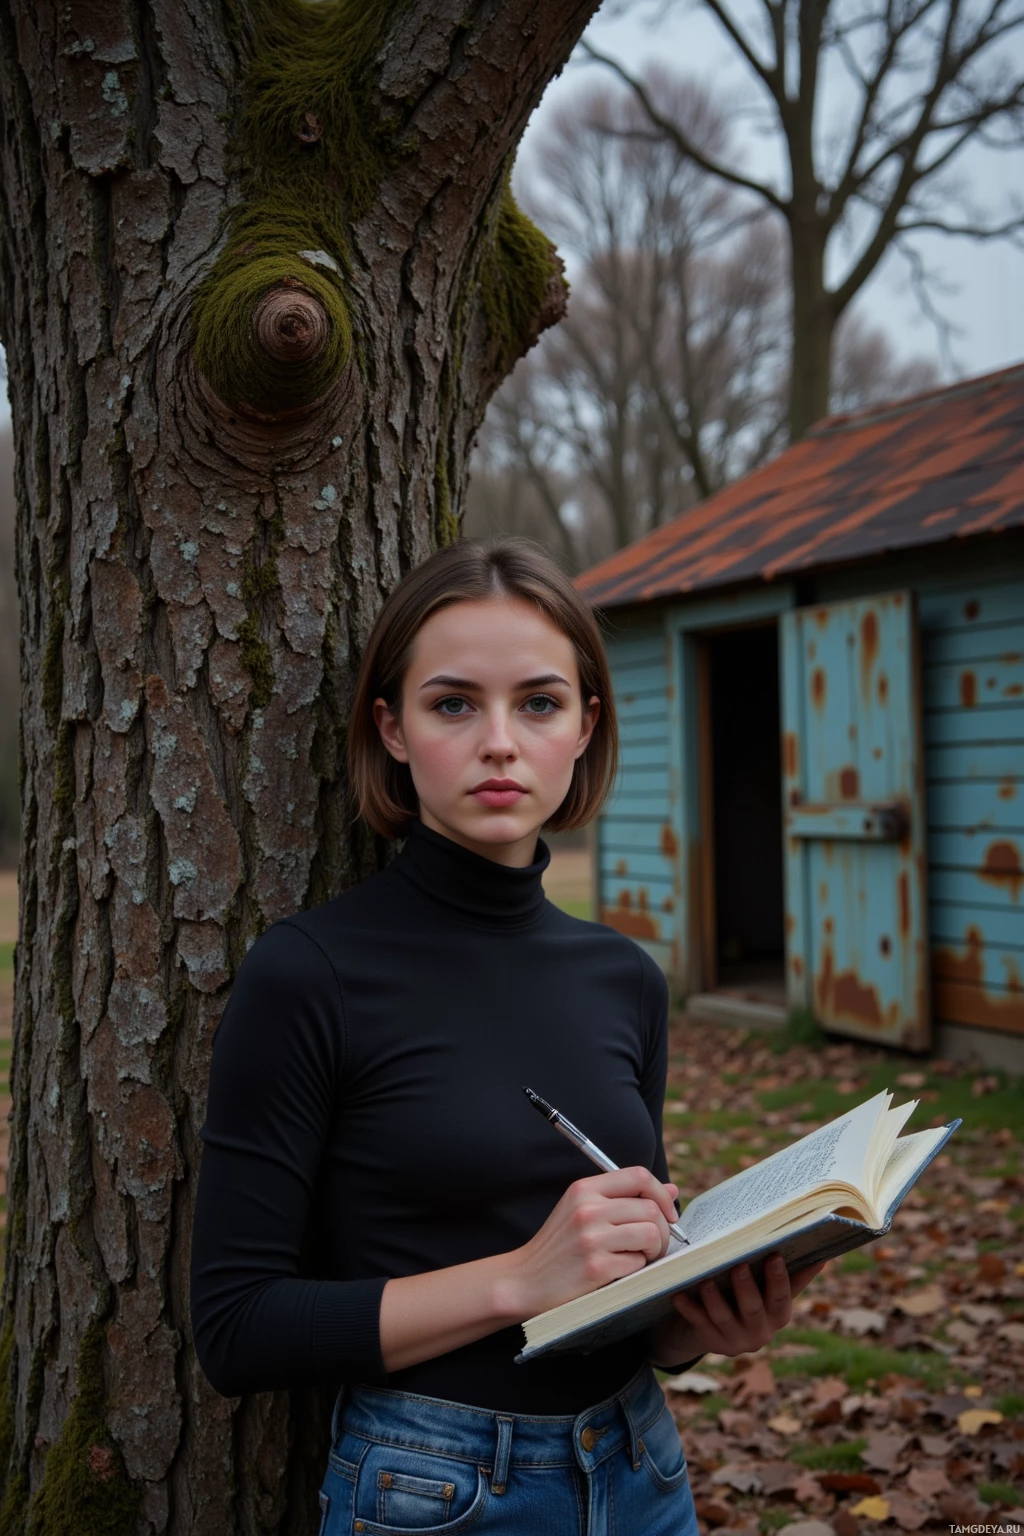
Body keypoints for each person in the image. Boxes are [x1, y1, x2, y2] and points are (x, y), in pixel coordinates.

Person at [190, 536, 828, 1535]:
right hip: (433, 1488)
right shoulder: (310, 972)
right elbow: (238, 1329)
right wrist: (515, 1283)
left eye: (538, 703)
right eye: (453, 704)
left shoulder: (624, 977)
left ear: (584, 727)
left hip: (641, 1469)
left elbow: (626, 1290)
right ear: (391, 729)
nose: (499, 741)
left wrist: (698, 1325)